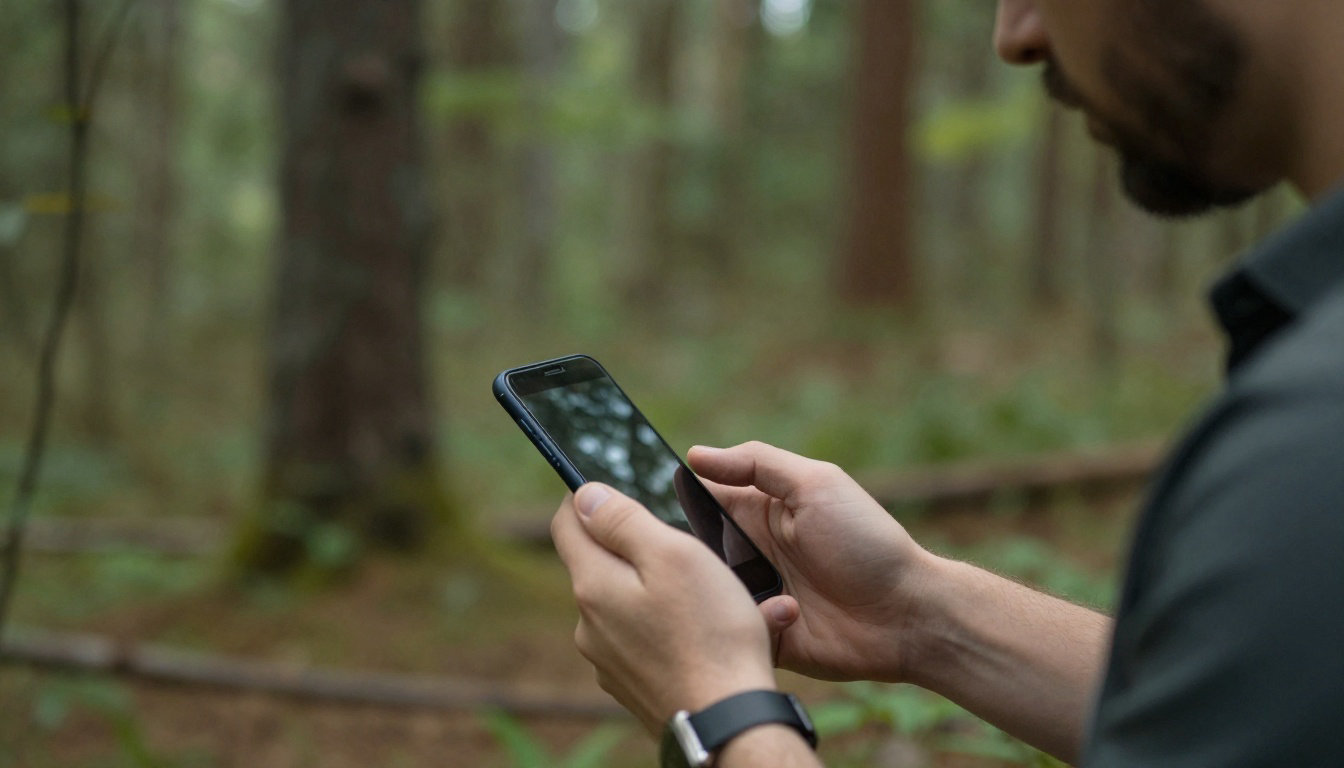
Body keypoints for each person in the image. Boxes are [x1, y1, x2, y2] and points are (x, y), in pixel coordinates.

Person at [549, 0, 1344, 765]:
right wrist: (916, 611)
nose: (1014, 34)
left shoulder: (1313, 434)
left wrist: (718, 715)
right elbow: (1258, 713)